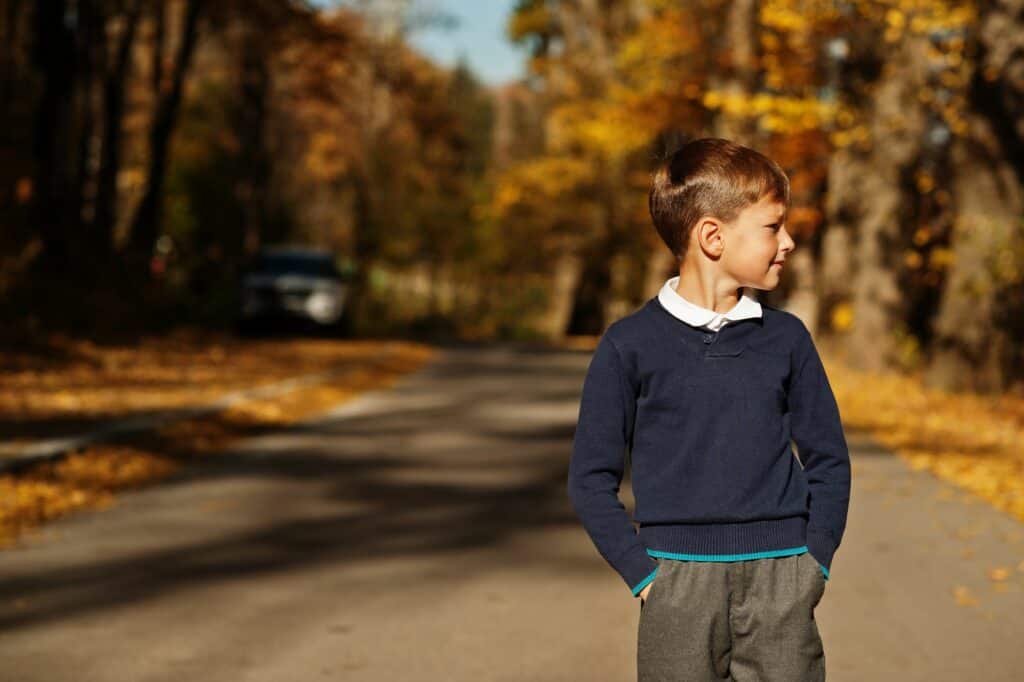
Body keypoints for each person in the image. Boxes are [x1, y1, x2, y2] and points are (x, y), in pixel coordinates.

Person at [567, 137, 851, 681]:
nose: (788, 241)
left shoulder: (786, 339)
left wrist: (814, 558)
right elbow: (590, 479)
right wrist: (645, 575)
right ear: (712, 237)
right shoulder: (630, 345)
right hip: (677, 584)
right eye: (773, 227)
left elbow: (828, 458)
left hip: (783, 578)